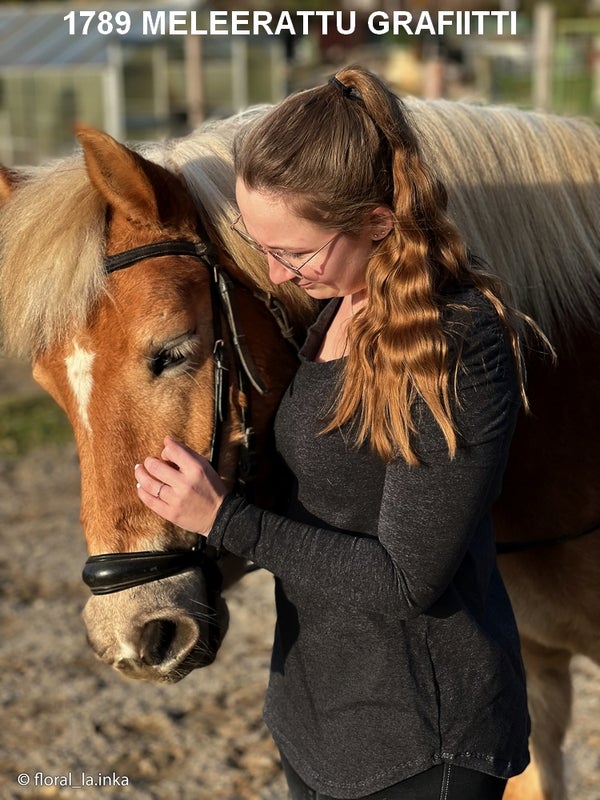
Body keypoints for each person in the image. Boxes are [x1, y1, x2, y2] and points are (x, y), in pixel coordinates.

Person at [135, 66, 530, 800]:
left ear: (378, 221)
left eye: (296, 251)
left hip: (420, 740)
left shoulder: (454, 345)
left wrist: (227, 519)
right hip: (315, 717)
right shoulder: (333, 310)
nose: (281, 271)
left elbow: (404, 581)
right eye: (264, 247)